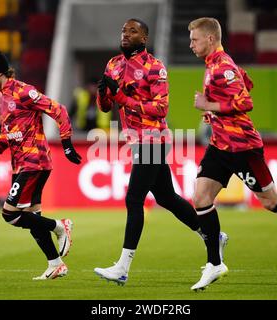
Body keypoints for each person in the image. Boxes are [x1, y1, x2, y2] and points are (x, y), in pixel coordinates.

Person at [188, 17, 277, 291]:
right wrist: (213, 111)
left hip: (243, 147)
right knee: (200, 197)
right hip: (220, 145)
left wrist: (209, 104)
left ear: (210, 39)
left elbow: (245, 101)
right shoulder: (216, 65)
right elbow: (246, 83)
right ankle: (214, 263)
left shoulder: (223, 66)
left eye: (194, 39)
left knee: (271, 201)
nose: (191, 44)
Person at [93, 18, 228, 287]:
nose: (125, 34)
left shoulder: (154, 68)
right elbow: (107, 108)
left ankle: (122, 267)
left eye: (132, 31)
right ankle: (212, 235)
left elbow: (161, 109)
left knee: (134, 200)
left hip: (153, 138)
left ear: (144, 38)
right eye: (123, 30)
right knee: (166, 197)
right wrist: (103, 95)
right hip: (135, 140)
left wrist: (120, 97)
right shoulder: (113, 64)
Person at [0, 47, 82, 280]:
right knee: (32, 216)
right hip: (20, 165)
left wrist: (66, 143)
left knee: (10, 214)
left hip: (34, 161)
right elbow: (10, 132)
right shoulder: (0, 97)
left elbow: (59, 110)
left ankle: (59, 226)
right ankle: (56, 264)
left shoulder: (23, 91)